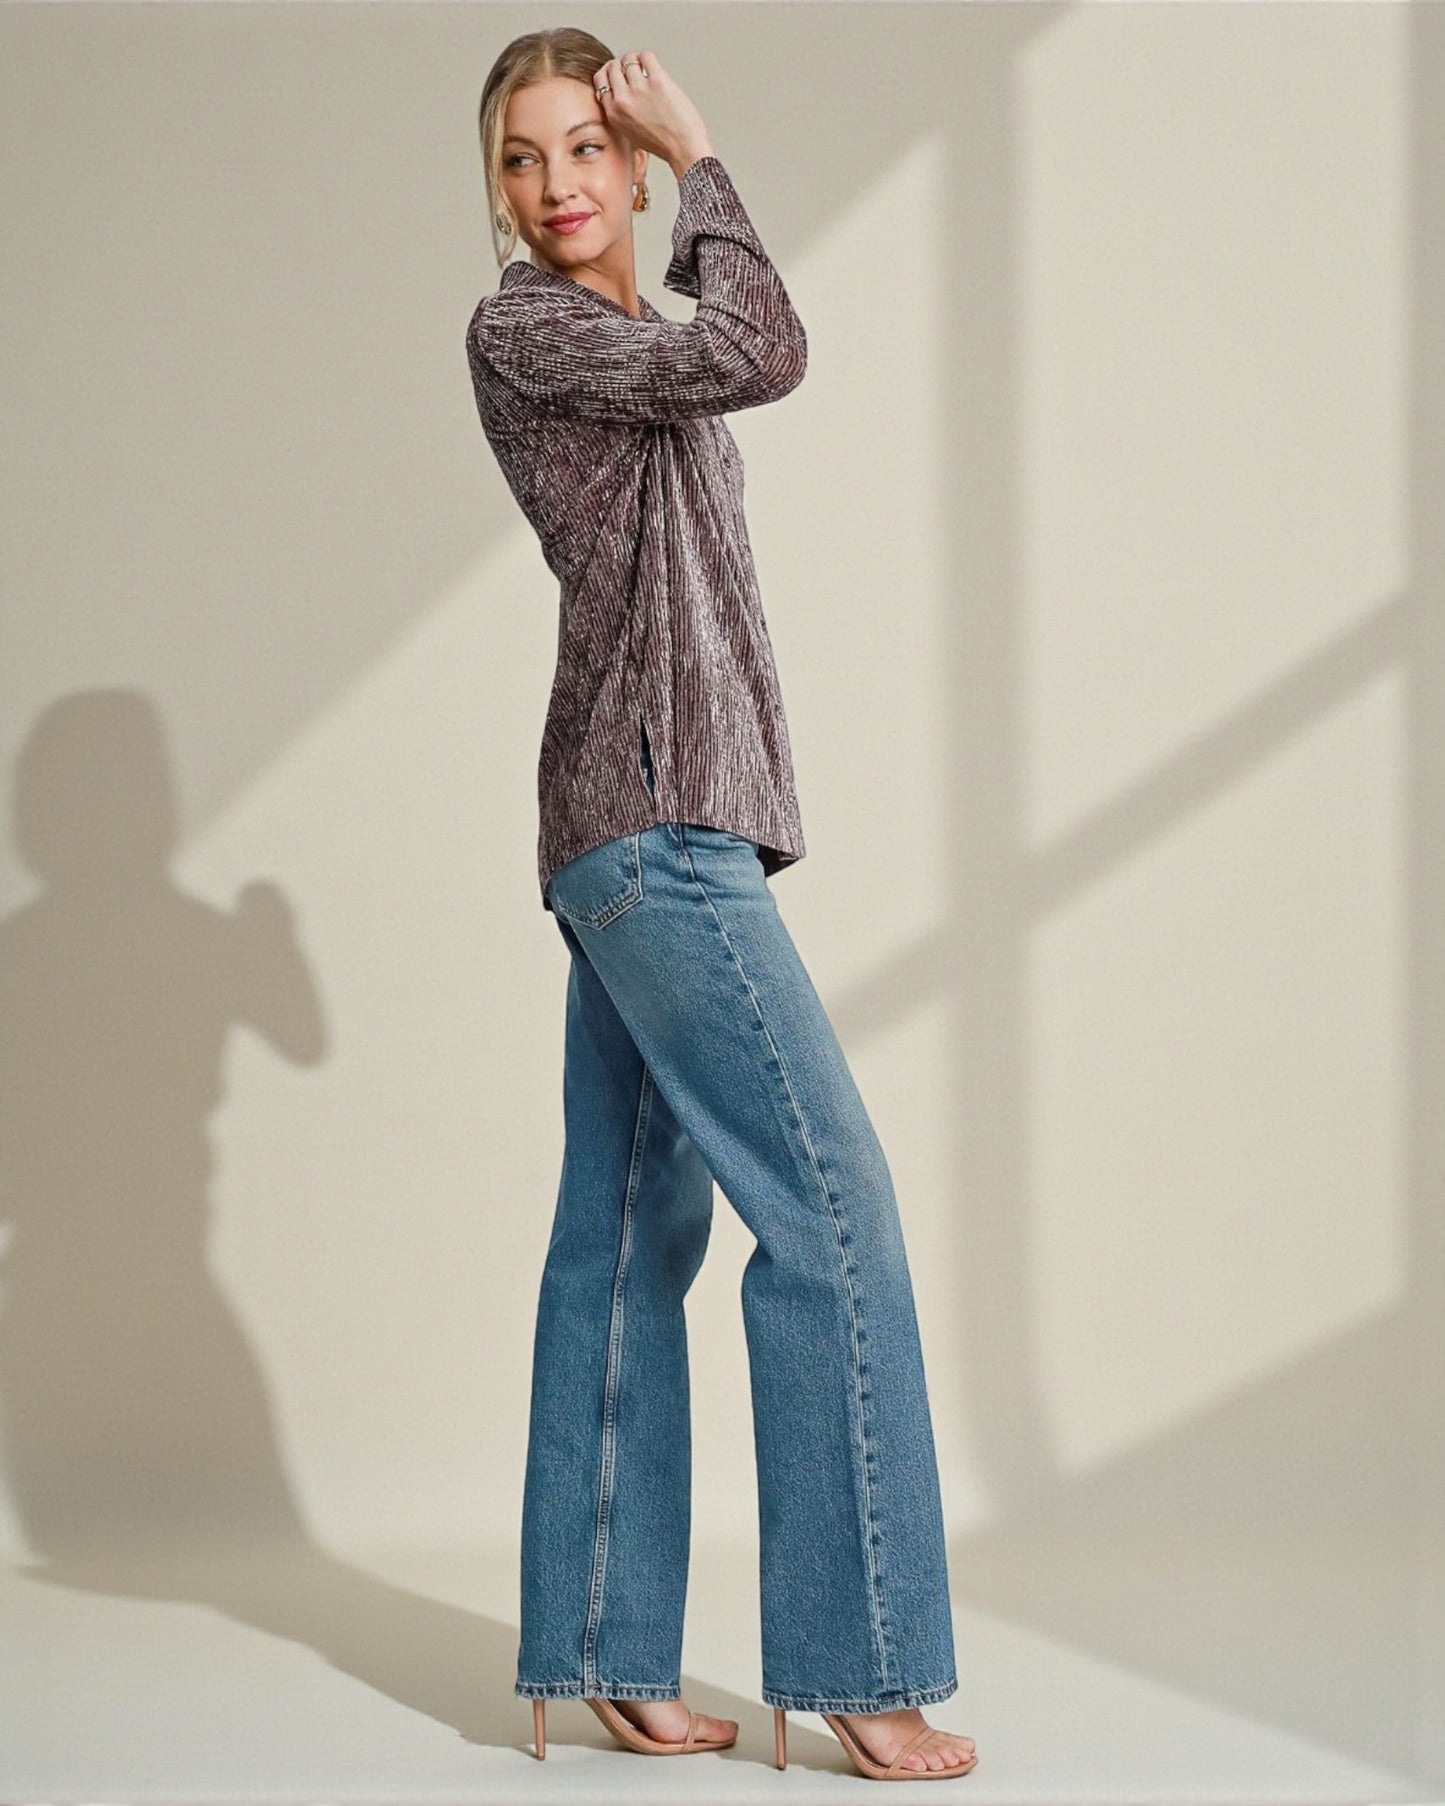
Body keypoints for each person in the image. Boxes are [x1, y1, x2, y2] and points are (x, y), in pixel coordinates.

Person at [465, 27, 978, 1783]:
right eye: (525, 159)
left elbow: (713, 371)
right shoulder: (530, 330)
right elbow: (765, 346)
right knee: (833, 1216)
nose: (557, 187)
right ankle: (862, 1665)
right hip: (654, 832)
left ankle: (600, 1653)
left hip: (654, 831)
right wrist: (701, 148)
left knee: (620, 1240)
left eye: (586, 150)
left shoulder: (628, 351)